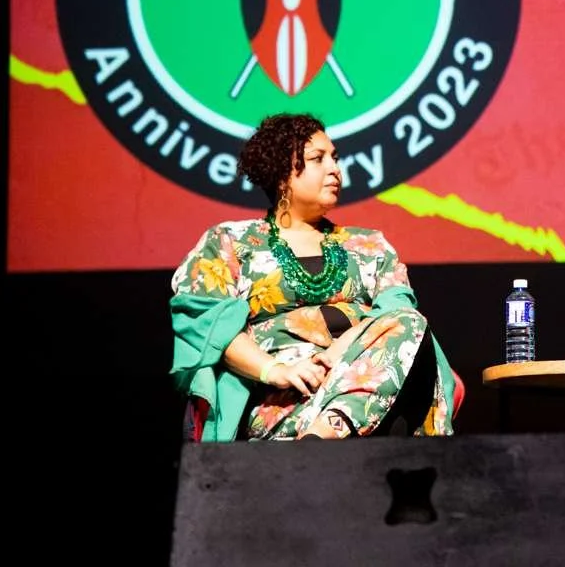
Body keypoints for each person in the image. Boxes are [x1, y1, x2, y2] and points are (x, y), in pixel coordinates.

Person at [170, 112, 457, 441]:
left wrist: (340, 352)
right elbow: (206, 324)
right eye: (317, 159)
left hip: (369, 388)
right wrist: (276, 370)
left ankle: (320, 440)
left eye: (335, 158)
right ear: (282, 174)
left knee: (410, 322)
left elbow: (398, 312)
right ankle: (318, 440)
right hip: (281, 401)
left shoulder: (369, 245)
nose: (335, 169)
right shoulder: (231, 243)